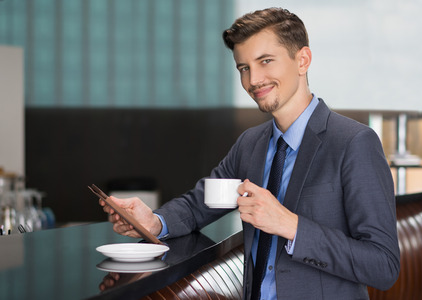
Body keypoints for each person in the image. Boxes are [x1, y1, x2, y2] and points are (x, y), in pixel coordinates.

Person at [100, 7, 400, 299]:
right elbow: (198, 204)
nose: (253, 80)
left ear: (303, 60)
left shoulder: (354, 142)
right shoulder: (250, 144)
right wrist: (154, 222)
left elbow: (383, 265)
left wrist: (291, 226)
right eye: (244, 68)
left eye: (266, 61)